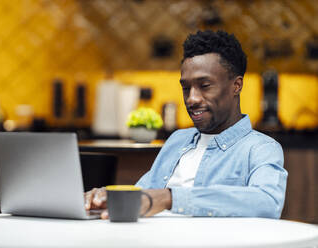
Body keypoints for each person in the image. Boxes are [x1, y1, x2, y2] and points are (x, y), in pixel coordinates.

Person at [85, 30, 288, 219]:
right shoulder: (177, 140)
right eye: (186, 88)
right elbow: (145, 195)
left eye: (205, 86)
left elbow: (268, 202)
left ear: (236, 85)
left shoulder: (260, 148)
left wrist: (170, 198)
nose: (192, 99)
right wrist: (108, 197)